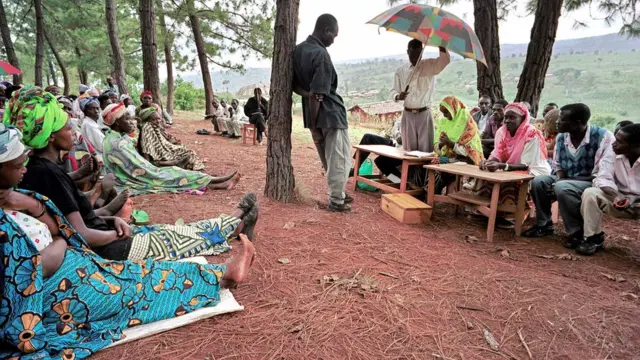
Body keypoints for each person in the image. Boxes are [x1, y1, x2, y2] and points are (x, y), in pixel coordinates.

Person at [0, 126, 257, 359]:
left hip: (94, 249)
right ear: (51, 134)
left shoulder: (19, 189)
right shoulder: (43, 174)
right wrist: (86, 235)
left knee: (176, 233)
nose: (74, 131)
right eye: (67, 126)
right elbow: (48, 253)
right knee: (159, 266)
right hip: (90, 262)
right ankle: (231, 233)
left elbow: (67, 223)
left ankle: (230, 224)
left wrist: (108, 216)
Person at [523, 103, 616, 248]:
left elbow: (601, 174)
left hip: (593, 182)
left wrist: (562, 182)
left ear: (577, 123)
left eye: (562, 119)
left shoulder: (603, 137)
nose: (557, 122)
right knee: (539, 181)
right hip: (566, 179)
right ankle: (544, 224)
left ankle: (577, 232)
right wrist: (559, 178)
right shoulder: (562, 137)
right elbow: (558, 165)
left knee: (563, 187)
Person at [102, 103, 241, 195]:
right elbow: (142, 164)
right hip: (138, 176)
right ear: (117, 122)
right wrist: (169, 165)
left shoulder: (116, 137)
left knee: (179, 174)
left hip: (141, 171)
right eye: (127, 119)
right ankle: (217, 181)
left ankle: (219, 183)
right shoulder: (117, 144)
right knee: (177, 174)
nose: (132, 122)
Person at [293, 14, 352, 212]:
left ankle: (339, 191)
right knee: (339, 159)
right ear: (326, 30)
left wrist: (312, 123)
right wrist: (315, 127)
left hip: (314, 115)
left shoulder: (298, 50)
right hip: (329, 115)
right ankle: (337, 199)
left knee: (329, 159)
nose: (333, 40)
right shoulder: (321, 54)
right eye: (333, 35)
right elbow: (317, 95)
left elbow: (297, 87)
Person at [578, 123, 640, 255]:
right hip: (618, 200)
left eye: (619, 142)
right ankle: (592, 237)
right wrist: (617, 196)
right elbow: (603, 178)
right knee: (591, 193)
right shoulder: (612, 153)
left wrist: (634, 198)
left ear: (636, 146)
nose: (614, 144)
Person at [478, 103, 551, 201]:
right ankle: (486, 208)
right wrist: (489, 162)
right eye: (506, 117)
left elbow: (526, 165)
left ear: (522, 118)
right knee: (486, 175)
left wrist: (501, 166)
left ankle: (510, 212)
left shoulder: (532, 134)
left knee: (513, 181)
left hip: (533, 170)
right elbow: (497, 152)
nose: (507, 121)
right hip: (510, 167)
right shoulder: (502, 132)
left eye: (512, 117)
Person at [391, 39, 450, 153]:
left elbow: (445, 60)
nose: (415, 59)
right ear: (408, 52)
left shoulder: (430, 66)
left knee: (425, 150)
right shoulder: (400, 71)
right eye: (412, 55)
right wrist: (399, 96)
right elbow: (393, 91)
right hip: (407, 114)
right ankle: (410, 171)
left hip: (424, 114)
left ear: (422, 53)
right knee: (408, 151)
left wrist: (441, 42)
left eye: (418, 55)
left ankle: (423, 172)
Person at [427, 96, 483, 193]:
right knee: (429, 165)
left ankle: (431, 194)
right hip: (450, 158)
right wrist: (441, 144)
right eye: (442, 112)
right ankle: (428, 192)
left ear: (454, 109)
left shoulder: (468, 124)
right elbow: (436, 145)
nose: (444, 115)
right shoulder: (444, 122)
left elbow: (468, 151)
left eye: (446, 112)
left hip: (466, 160)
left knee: (436, 166)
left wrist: (450, 143)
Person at [139, 107, 206, 171]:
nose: (157, 121)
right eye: (153, 119)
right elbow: (146, 146)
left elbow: (162, 141)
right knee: (185, 154)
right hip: (155, 158)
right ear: (147, 120)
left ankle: (176, 162)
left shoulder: (155, 127)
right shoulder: (147, 128)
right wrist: (147, 164)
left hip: (163, 150)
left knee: (185, 150)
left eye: (158, 119)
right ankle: (173, 163)